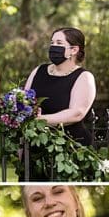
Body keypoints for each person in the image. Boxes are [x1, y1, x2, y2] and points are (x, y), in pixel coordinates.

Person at [23, 28, 97, 181]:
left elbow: (76, 113)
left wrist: (40, 119)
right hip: (35, 147)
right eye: (52, 43)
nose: (53, 47)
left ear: (74, 50)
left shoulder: (84, 77)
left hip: (70, 148)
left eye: (59, 43)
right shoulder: (39, 71)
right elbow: (24, 101)